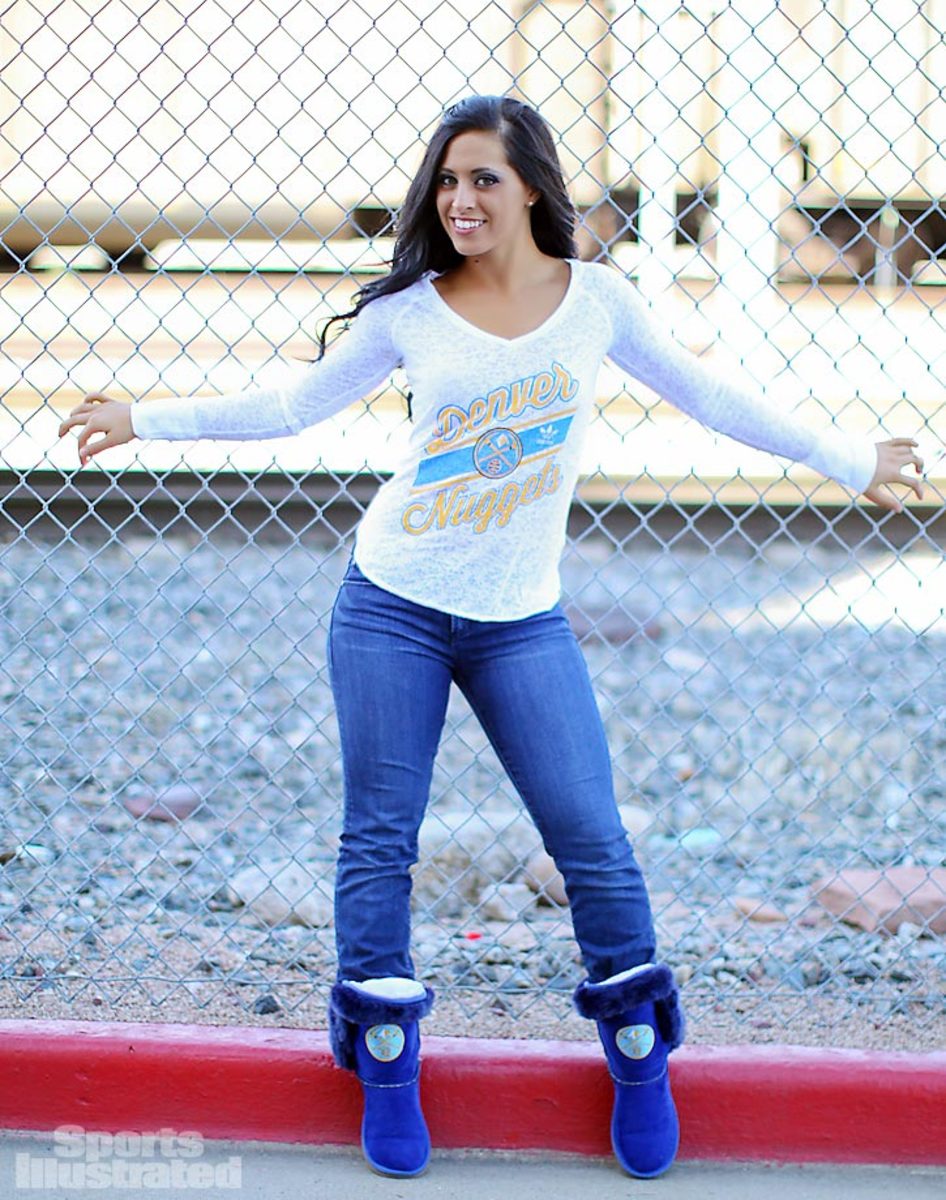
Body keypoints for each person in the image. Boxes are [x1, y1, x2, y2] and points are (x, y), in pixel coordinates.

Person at [58, 93, 925, 1181]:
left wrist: (848, 459)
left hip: (521, 622)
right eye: (446, 181)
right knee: (381, 838)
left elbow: (709, 398)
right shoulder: (409, 312)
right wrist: (144, 419)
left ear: (530, 188)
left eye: (482, 180)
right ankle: (386, 1060)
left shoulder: (596, 303)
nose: (459, 201)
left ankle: (638, 1051)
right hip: (391, 604)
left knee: (591, 837)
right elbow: (288, 409)